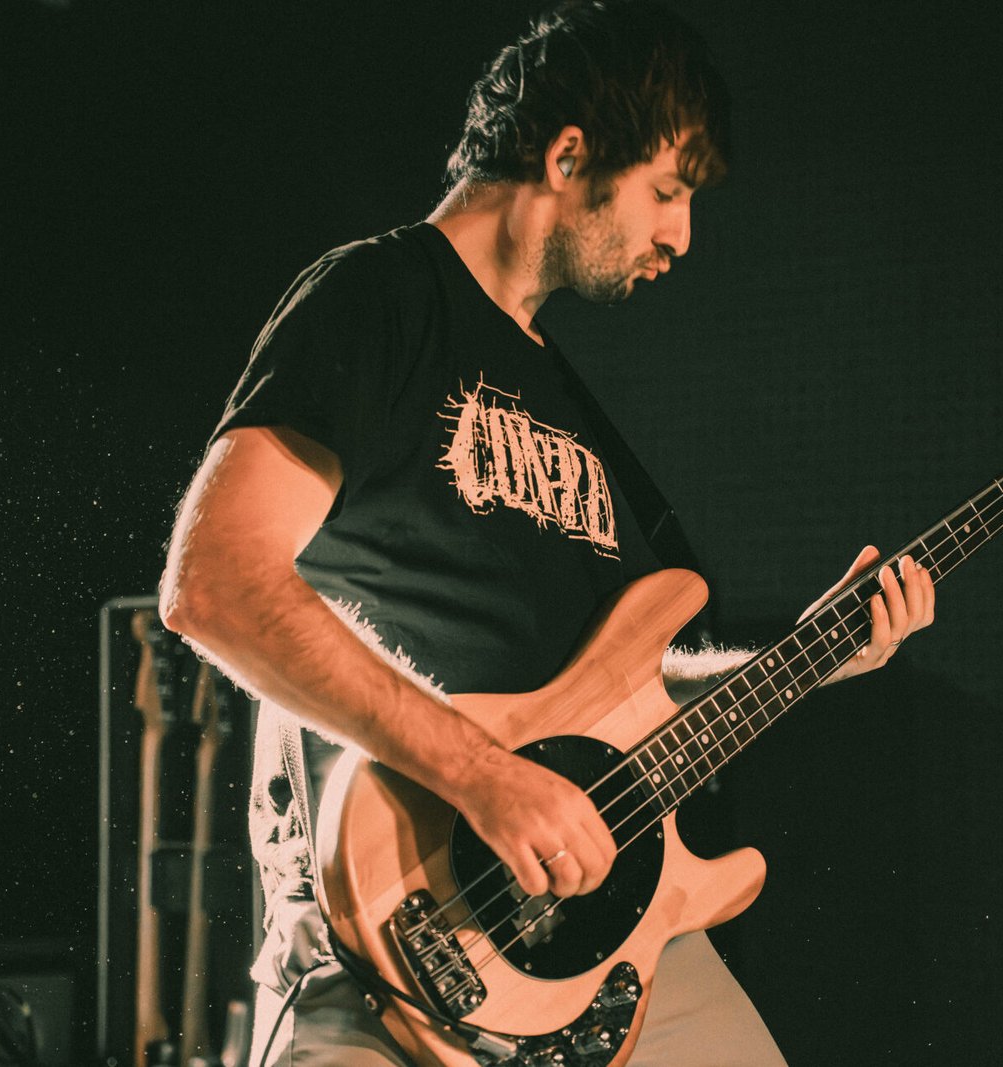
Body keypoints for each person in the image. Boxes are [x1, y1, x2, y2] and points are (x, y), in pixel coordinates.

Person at [159, 2, 935, 1063]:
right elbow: (216, 583)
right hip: (394, 919)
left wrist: (809, 653)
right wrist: (484, 776)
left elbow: (634, 684)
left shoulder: (570, 405)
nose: (681, 236)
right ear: (569, 157)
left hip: (594, 927)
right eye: (667, 192)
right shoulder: (381, 296)